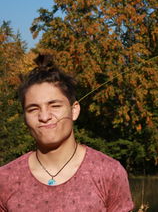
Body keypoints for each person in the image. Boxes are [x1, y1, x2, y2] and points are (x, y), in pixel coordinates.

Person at [0, 54, 134, 211]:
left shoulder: (109, 172)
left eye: (55, 106)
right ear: (24, 117)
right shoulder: (6, 178)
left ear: (74, 110)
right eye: (33, 109)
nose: (44, 117)